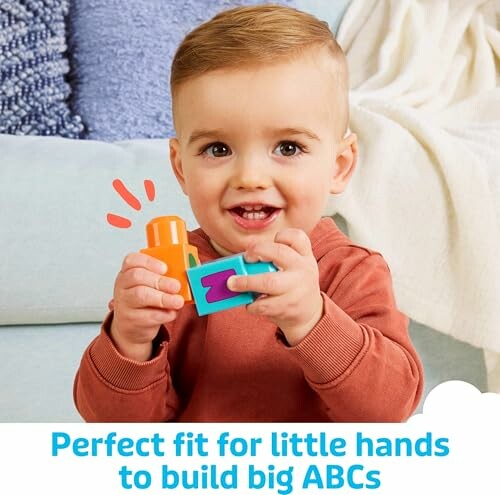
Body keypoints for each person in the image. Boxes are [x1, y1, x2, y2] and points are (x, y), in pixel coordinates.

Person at [74, 4, 423, 422]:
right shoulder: (166, 279)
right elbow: (110, 431)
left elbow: (389, 411)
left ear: (339, 166)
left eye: (288, 148)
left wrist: (313, 320)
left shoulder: (351, 272)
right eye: (218, 149)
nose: (251, 177)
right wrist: (128, 341)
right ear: (181, 168)